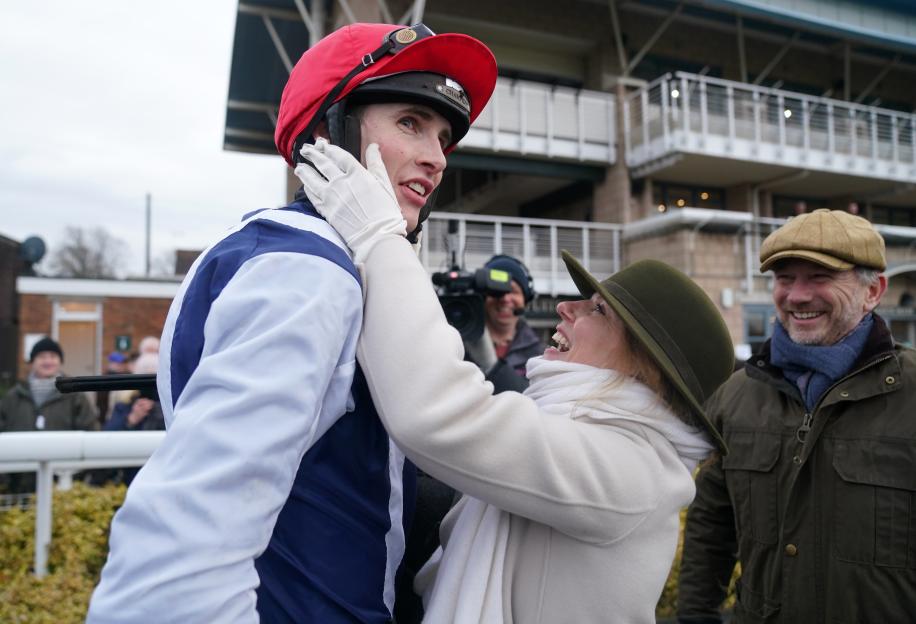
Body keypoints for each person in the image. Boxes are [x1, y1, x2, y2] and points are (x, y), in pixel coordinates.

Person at [87, 23, 496, 623]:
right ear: (330, 131)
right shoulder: (310, 272)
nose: (436, 157)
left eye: (443, 137)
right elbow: (182, 548)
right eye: (410, 122)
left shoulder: (279, 247)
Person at [297, 140, 735, 622]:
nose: (567, 306)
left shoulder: (633, 469)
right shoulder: (606, 442)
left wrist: (382, 242)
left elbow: (439, 413)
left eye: (599, 310)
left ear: (643, 369)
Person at [676, 209, 916, 623]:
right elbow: (710, 528)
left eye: (820, 277)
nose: (797, 295)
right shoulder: (735, 396)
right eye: (785, 279)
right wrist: (696, 617)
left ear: (873, 291)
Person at [0, 337, 97, 493]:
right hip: (18, 487)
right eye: (42, 357)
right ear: (33, 361)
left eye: (53, 356)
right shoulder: (13, 397)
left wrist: (80, 476)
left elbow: (91, 433)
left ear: (60, 361)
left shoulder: (75, 397)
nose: (48, 361)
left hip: (63, 486)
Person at [101, 352, 163, 486]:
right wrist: (130, 420)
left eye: (154, 377)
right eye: (144, 375)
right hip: (129, 481)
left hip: (161, 478)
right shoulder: (124, 407)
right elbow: (106, 441)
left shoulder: (172, 408)